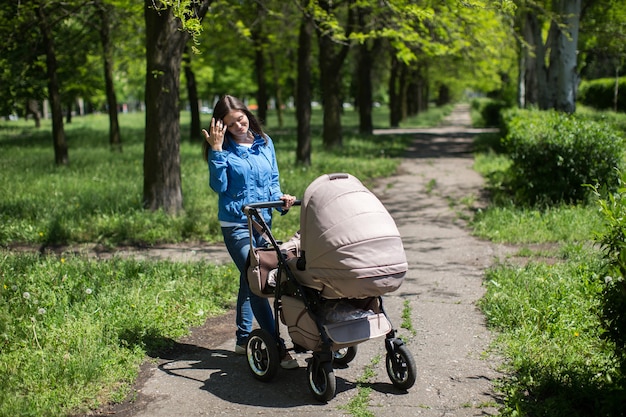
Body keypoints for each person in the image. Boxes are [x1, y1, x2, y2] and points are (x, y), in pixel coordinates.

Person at [202, 95, 298, 369]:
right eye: (231, 125)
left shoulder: (265, 142)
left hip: (262, 222)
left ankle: (243, 339)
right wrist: (218, 151)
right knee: (258, 278)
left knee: (249, 278)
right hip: (236, 224)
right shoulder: (221, 148)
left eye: (241, 120)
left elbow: (273, 179)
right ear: (223, 127)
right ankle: (276, 346)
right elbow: (219, 187)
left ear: (248, 115)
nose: (238, 127)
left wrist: (282, 199)